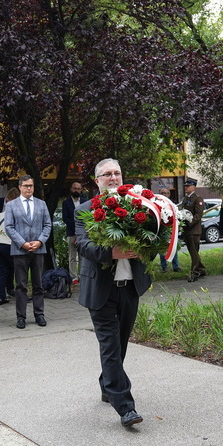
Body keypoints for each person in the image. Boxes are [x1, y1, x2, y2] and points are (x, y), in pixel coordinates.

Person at [75, 158, 152, 427]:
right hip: (100, 290)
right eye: (107, 174)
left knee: (120, 344)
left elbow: (154, 237)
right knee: (110, 347)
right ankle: (126, 407)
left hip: (130, 286)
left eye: (117, 172)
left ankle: (107, 385)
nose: (113, 177)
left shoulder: (139, 204)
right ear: (97, 181)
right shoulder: (84, 210)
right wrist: (111, 252)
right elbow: (83, 245)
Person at [4, 175, 52, 329]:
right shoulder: (11, 205)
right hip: (19, 250)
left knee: (38, 284)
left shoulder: (41, 204)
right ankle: (21, 317)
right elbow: (9, 227)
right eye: (26, 186)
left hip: (38, 249)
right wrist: (22, 243)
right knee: (21, 285)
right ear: (20, 187)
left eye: (31, 186)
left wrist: (39, 241)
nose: (29, 189)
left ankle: (39, 314)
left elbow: (48, 225)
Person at [0, 188, 19, 306]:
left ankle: (1, 296)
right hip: (8, 244)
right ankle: (18, 292)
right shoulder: (15, 215)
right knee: (16, 269)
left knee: (1, 270)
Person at [62, 181, 87, 284]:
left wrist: (81, 230)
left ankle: (82, 276)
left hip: (83, 234)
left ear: (81, 190)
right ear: (71, 189)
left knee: (82, 256)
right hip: (71, 233)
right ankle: (73, 277)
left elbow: (87, 217)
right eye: (74, 188)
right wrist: (76, 228)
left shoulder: (85, 202)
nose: (76, 190)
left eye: (78, 189)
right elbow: (65, 218)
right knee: (72, 256)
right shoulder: (66, 203)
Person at [181, 178, 206, 282]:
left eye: (188, 186)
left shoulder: (198, 199)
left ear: (194, 187)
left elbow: (198, 215)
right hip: (186, 230)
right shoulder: (185, 199)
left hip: (194, 230)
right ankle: (201, 269)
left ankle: (194, 272)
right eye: (185, 186)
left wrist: (190, 223)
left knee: (194, 252)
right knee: (193, 252)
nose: (186, 188)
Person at [158, 188, 181, 272]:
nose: (165, 194)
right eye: (162, 193)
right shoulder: (157, 204)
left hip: (171, 229)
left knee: (173, 247)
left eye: (166, 193)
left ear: (169, 194)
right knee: (163, 248)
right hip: (162, 229)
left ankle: (176, 266)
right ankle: (164, 266)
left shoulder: (172, 204)